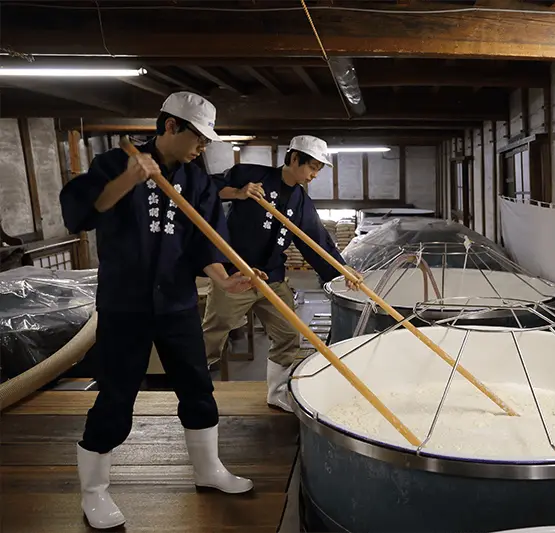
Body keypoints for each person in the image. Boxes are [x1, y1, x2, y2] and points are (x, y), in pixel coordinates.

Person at [60, 91, 264, 530]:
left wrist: (223, 278)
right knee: (117, 395)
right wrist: (130, 179)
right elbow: (80, 213)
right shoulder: (116, 164)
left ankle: (208, 470)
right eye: (198, 138)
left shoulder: (197, 182)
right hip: (125, 304)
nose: (202, 148)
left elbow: (202, 240)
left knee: (196, 386)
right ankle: (94, 492)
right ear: (171, 126)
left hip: (176, 303)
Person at [202, 135, 359, 412]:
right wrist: (237, 192)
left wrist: (341, 269)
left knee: (288, 335)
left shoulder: (301, 201)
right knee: (212, 337)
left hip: (271, 279)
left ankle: (276, 393)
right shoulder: (251, 175)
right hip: (235, 275)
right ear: (294, 158)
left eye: (318, 171)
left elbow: (317, 241)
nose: (313, 175)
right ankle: (193, 388)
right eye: (311, 167)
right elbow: (204, 190)